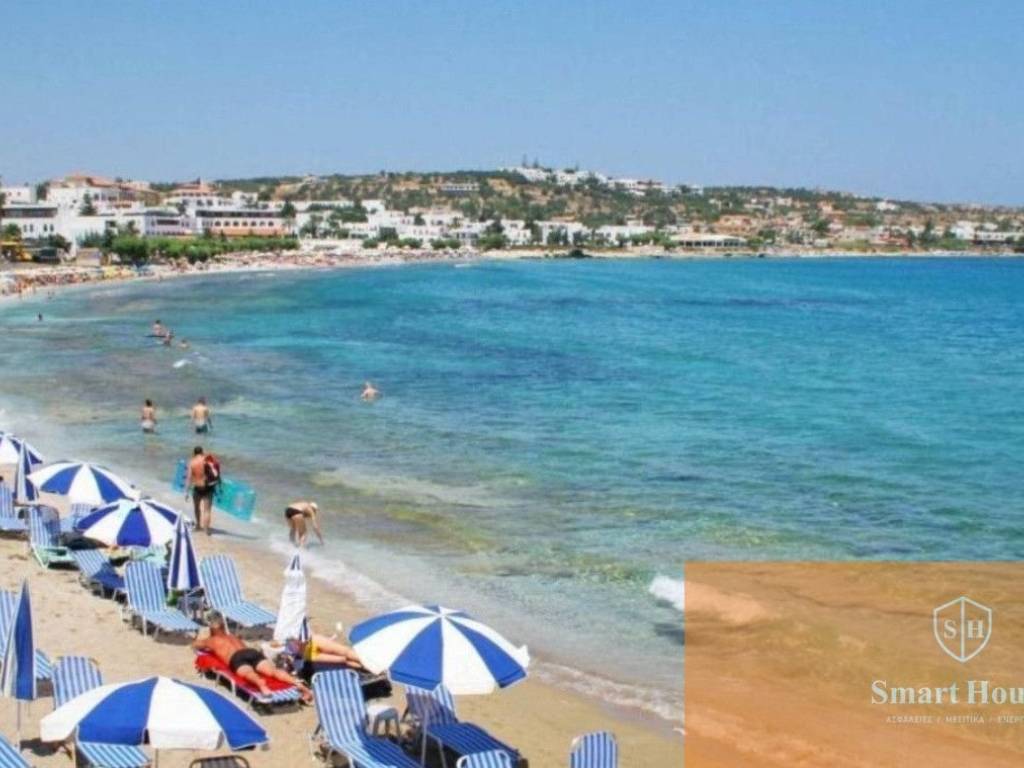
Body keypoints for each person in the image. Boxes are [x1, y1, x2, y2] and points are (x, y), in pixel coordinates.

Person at [192, 612, 312, 702]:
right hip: (250, 652)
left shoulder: (212, 640)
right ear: (223, 626)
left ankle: (262, 685)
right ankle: (298, 684)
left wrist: (205, 637)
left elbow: (195, 645)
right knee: (273, 671)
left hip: (236, 658)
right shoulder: (232, 636)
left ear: (211, 629)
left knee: (248, 673)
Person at [186, 446, 214, 534]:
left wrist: (187, 492)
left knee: (197, 508)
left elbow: (189, 478)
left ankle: (198, 525)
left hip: (197, 488)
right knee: (207, 510)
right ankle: (206, 529)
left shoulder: (192, 462)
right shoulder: (207, 460)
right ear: (202, 452)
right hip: (208, 488)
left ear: (194, 453)